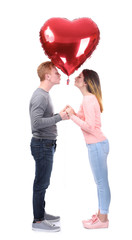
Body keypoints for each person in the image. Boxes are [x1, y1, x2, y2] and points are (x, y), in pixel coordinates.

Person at [66, 69, 111, 229]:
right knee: (101, 182)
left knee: (101, 183)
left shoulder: (88, 99)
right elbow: (82, 118)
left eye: (79, 77)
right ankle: (101, 215)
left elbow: (90, 127)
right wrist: (72, 113)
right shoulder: (87, 98)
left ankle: (103, 219)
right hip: (97, 145)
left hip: (97, 145)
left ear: (85, 82)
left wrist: (72, 116)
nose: (76, 78)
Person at [29, 61, 69, 232]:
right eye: (56, 72)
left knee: (43, 182)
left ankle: (41, 213)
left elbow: (44, 118)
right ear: (47, 76)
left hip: (47, 144)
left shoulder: (45, 94)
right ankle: (38, 221)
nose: (59, 75)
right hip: (42, 145)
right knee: (41, 183)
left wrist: (59, 114)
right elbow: (36, 123)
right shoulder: (40, 96)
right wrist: (59, 117)